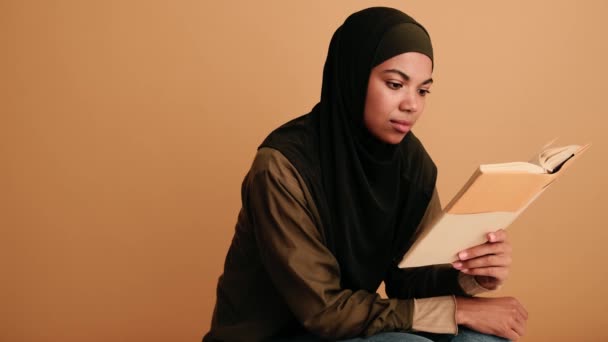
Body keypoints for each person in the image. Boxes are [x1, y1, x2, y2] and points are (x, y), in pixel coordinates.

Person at [203, 7, 528, 342]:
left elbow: (409, 281)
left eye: (423, 90)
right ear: (354, 77)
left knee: (483, 340)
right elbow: (324, 311)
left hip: (352, 328)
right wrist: (457, 309)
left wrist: (473, 274)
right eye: (395, 84)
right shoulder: (282, 167)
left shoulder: (411, 164)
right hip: (280, 335)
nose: (412, 104)